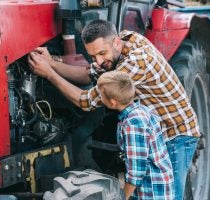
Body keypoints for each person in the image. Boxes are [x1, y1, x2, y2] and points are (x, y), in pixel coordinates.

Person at [28, 19, 200, 200]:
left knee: (170, 195)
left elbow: (86, 101)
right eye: (94, 56)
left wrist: (48, 73)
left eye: (102, 53)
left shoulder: (136, 63)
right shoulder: (125, 40)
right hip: (154, 131)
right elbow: (88, 74)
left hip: (176, 133)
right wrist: (52, 62)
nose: (99, 61)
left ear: (116, 42)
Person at [97, 71, 174, 199]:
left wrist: (123, 197)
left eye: (101, 95)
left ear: (112, 102)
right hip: (155, 185)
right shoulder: (140, 110)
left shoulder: (133, 123)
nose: (99, 98)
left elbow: (136, 172)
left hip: (152, 191)